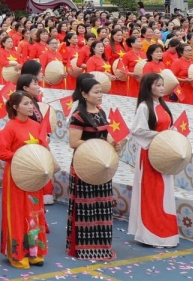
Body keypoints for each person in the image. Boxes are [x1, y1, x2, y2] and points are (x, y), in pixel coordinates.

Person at [0, 91, 51, 269]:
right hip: (16, 175)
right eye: (26, 104)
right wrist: (23, 157)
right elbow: (2, 152)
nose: (31, 107)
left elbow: (41, 147)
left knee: (34, 210)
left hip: (33, 175)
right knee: (17, 212)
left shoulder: (36, 125)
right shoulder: (10, 127)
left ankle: (34, 251)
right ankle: (17, 253)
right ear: (15, 107)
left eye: (31, 103)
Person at [66, 74, 120, 260]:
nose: (100, 95)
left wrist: (112, 143)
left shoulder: (101, 111)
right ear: (84, 94)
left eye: (100, 92)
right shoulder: (78, 116)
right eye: (96, 92)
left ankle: (102, 247)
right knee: (86, 206)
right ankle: (84, 248)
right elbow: (74, 142)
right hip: (85, 164)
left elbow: (106, 133)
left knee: (102, 205)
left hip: (102, 164)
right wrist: (97, 145)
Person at [128, 73, 179, 248]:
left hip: (164, 154)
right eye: (158, 85)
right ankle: (151, 236)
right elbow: (138, 130)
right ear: (148, 87)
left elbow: (167, 126)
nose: (161, 88)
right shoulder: (144, 107)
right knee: (153, 194)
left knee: (164, 195)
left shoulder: (162, 105)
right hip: (150, 155)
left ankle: (166, 234)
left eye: (162, 85)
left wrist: (172, 133)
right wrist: (161, 135)